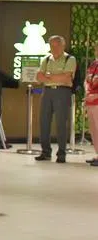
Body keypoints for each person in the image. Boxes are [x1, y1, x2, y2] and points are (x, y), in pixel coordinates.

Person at [36, 35, 77, 163]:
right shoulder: (46, 59)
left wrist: (48, 76)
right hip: (47, 92)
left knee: (61, 123)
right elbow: (39, 77)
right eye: (52, 46)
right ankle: (45, 152)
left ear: (63, 46)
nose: (54, 48)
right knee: (44, 122)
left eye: (57, 45)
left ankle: (61, 153)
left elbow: (66, 78)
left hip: (62, 92)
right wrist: (56, 77)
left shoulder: (70, 59)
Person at [86, 45, 98, 167]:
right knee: (94, 130)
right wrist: (87, 92)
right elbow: (87, 80)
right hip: (90, 101)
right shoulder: (94, 64)